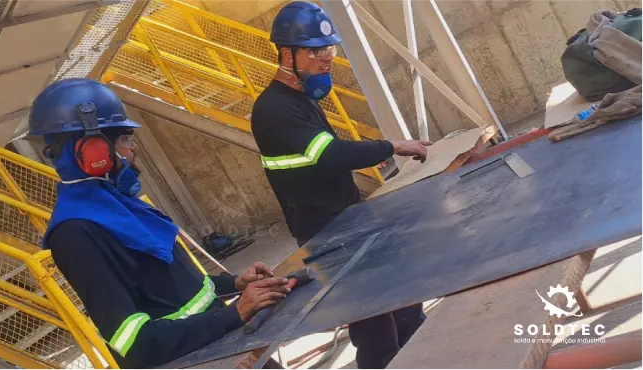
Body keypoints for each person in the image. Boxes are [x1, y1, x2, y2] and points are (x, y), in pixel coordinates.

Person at [28, 78, 291, 369]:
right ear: (92, 150)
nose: (133, 150)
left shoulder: (118, 205)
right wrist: (235, 314)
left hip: (216, 346)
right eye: (125, 139)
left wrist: (235, 283)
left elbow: (171, 291)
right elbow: (137, 344)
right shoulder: (75, 233)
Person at [250, 2, 431, 369]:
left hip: (348, 220)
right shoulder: (273, 109)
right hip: (325, 234)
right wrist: (391, 146)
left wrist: (362, 158)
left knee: (407, 304)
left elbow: (317, 158)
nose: (326, 59)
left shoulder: (300, 99)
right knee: (376, 328)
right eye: (316, 50)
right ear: (288, 54)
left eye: (329, 49)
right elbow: (329, 155)